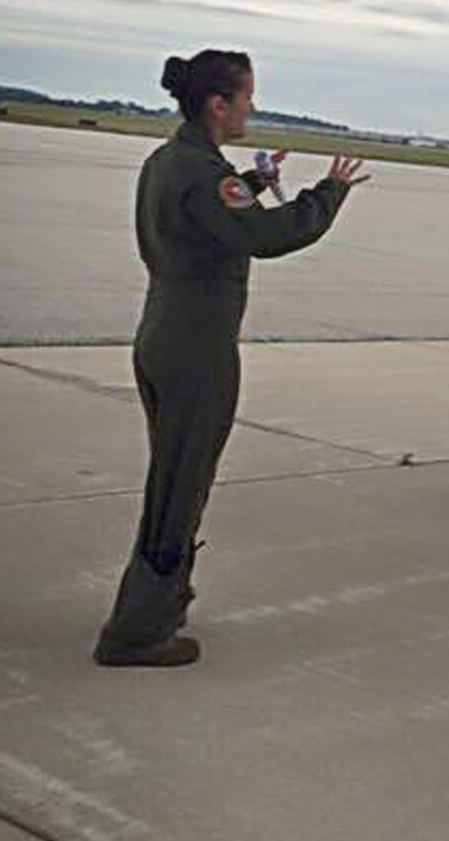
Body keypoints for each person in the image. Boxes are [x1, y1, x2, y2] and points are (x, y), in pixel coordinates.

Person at [94, 50, 366, 668]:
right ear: (219, 104)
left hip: (163, 330)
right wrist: (328, 193)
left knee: (170, 476)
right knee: (181, 484)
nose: (252, 107)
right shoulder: (200, 171)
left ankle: (153, 606)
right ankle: (137, 631)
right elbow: (267, 236)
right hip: (197, 344)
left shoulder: (173, 161)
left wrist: (255, 182)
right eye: (246, 97)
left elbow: (207, 217)